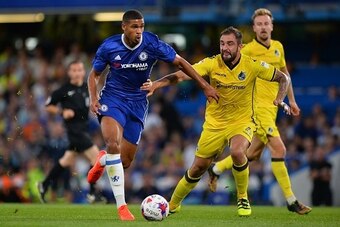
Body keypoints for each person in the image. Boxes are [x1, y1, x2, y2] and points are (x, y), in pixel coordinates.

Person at [141, 26, 290, 216]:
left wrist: (279, 98)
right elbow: (180, 76)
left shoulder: (252, 65)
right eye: (222, 44)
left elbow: (282, 78)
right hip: (214, 125)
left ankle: (242, 198)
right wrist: (156, 84)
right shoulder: (212, 64)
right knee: (198, 168)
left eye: (230, 44)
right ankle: (174, 204)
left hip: (242, 121)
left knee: (237, 151)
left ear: (240, 46)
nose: (225, 48)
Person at [86, 9, 219, 221]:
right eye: (134, 27)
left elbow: (182, 63)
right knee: (113, 143)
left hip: (138, 103)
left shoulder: (151, 43)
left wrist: (204, 85)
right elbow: (94, 75)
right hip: (113, 99)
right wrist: (94, 98)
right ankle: (122, 207)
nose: (139, 31)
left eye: (141, 27)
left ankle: (102, 160)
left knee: (125, 161)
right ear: (124, 27)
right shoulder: (109, 46)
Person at [207, 8, 312, 215]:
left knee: (252, 154)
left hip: (272, 108)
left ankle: (217, 168)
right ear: (254, 28)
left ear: (272, 26)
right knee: (279, 150)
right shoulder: (247, 50)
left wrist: (291, 100)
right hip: (257, 109)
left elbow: (284, 74)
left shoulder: (278, 48)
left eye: (266, 23)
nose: (263, 27)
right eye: (259, 24)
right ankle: (291, 201)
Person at [36, 60, 104, 204]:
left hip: (83, 129)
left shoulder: (87, 88)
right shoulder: (63, 90)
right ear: (69, 73)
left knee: (66, 160)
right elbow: (48, 106)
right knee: (97, 158)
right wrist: (62, 111)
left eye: (79, 70)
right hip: (74, 131)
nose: (77, 73)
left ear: (83, 72)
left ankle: (44, 184)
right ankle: (92, 192)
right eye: (73, 70)